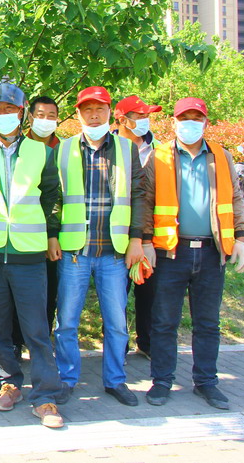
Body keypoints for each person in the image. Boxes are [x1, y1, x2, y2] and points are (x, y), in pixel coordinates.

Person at [0, 80, 64, 428]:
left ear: (21, 114)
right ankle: (8, 384)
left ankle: (46, 396)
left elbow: (51, 195)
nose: (3, 114)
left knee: (36, 327)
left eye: (10, 109)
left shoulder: (41, 152)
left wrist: (41, 229)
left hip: (28, 254)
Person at [142, 97, 244, 410]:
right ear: (174, 122)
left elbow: (235, 198)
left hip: (210, 252)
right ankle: (162, 381)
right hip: (171, 253)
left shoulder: (221, 156)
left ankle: (206, 382)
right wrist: (146, 241)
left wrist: (242, 237)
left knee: (207, 323)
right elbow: (146, 201)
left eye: (196, 117)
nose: (190, 123)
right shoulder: (159, 156)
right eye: (184, 117)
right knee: (164, 322)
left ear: (205, 122)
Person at [53, 85, 146, 407]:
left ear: (109, 112)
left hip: (114, 253)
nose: (94, 115)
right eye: (87, 110)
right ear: (78, 114)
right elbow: (54, 196)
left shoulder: (126, 148)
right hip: (74, 253)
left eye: (100, 109)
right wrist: (53, 236)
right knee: (66, 322)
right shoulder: (63, 149)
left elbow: (138, 195)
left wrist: (137, 239)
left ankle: (115, 380)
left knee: (117, 324)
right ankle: (66, 379)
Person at [113, 94, 163, 360]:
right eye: (139, 116)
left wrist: (147, 238)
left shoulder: (160, 150)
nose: (145, 120)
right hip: (117, 234)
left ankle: (147, 342)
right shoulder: (108, 147)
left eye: (147, 116)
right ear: (122, 120)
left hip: (151, 235)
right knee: (116, 296)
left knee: (150, 293)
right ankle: (116, 347)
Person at [25, 95, 61, 334]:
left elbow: (57, 195)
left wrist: (52, 233)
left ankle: (43, 339)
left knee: (49, 290)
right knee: (20, 291)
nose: (46, 120)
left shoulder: (65, 149)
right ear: (30, 118)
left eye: (51, 116)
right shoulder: (18, 147)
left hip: (57, 234)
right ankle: (16, 341)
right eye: (40, 115)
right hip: (23, 231)